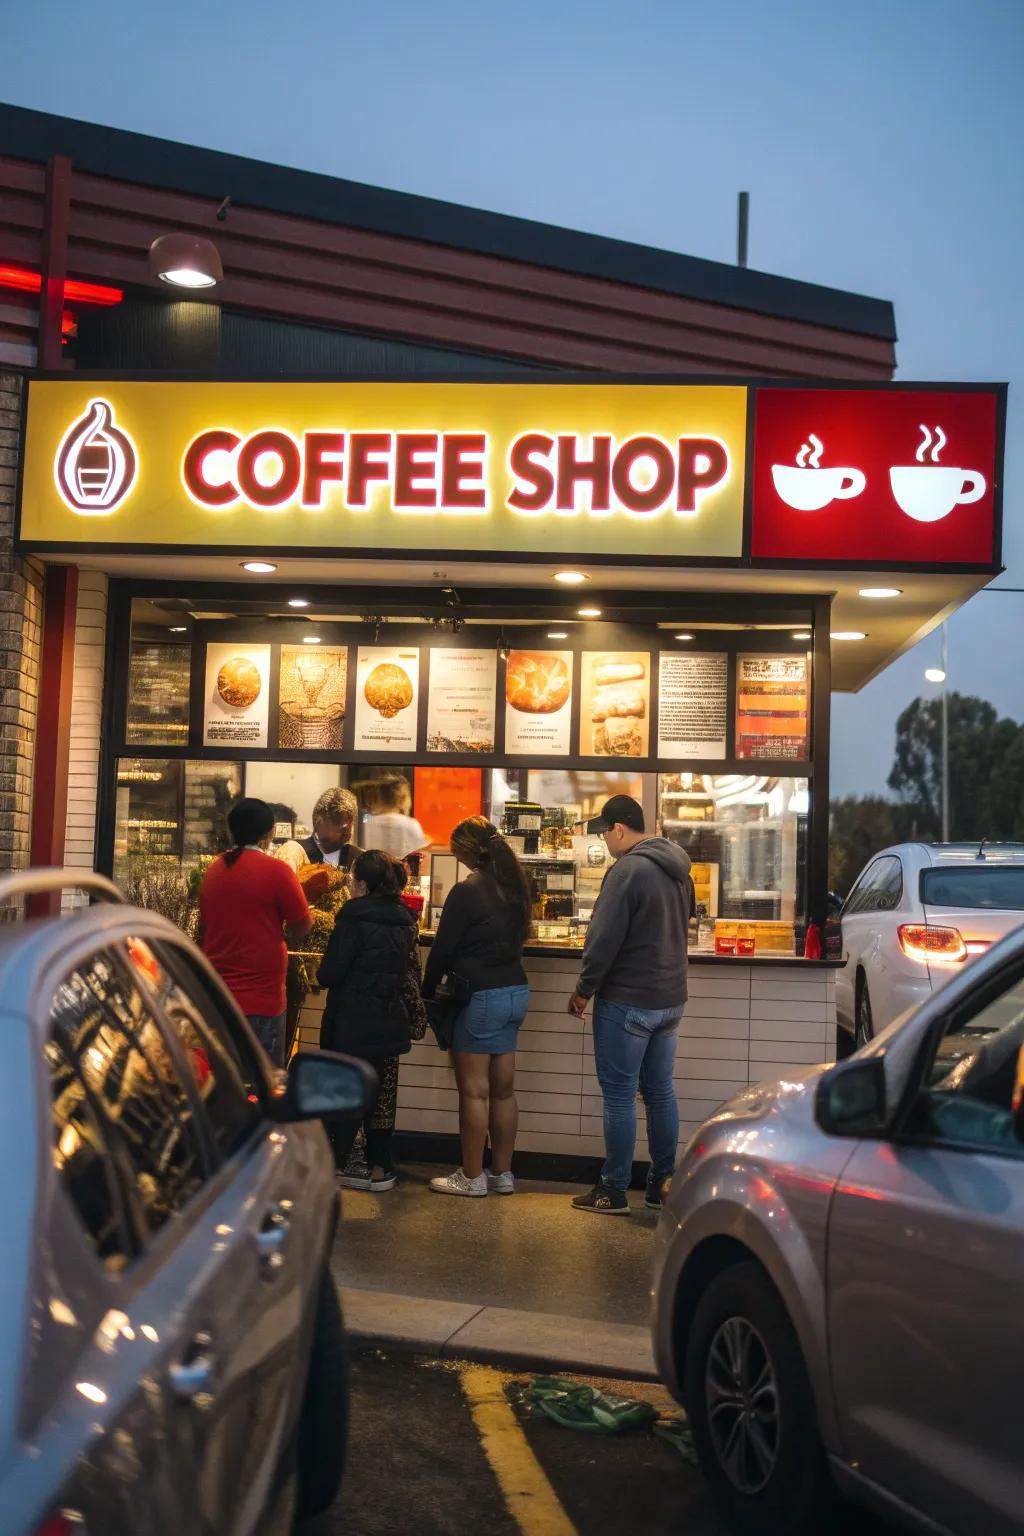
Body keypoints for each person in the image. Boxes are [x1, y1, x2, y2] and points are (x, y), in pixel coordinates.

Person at [567, 795, 691, 1216]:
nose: (603, 838)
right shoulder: (678, 870)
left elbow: (603, 940)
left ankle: (613, 1189)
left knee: (619, 1097)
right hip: (670, 1001)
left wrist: (584, 987)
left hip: (629, 1001)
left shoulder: (627, 870)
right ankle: (662, 1184)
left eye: (604, 831)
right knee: (659, 1092)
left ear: (619, 829)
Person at [422, 816, 531, 1198]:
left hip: (481, 996)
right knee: (504, 1091)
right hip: (515, 991)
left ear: (467, 851)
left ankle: (470, 1177)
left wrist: (427, 989)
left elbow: (443, 949)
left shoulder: (469, 891)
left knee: (474, 1092)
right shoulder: (516, 885)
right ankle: (502, 1174)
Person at [317, 850, 422, 1191]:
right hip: (390, 1020)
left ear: (362, 884)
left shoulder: (352, 917)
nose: (348, 883)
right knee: (383, 1093)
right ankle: (380, 1167)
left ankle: (339, 1163)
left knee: (347, 1088)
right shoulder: (406, 919)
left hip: (351, 1021)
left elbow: (331, 972)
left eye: (351, 878)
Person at [199, 797, 312, 1067]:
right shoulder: (277, 871)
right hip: (263, 1001)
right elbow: (303, 924)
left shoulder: (215, 868)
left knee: (221, 1081)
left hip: (218, 1000)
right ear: (270, 831)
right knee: (261, 1087)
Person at [365, 774, 430, 861]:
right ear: (403, 798)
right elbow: (421, 856)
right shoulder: (410, 824)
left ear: (379, 796)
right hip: (400, 873)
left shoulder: (369, 823)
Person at [299, 786, 362, 871]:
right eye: (338, 824)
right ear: (319, 821)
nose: (346, 834)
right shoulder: (296, 852)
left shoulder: (359, 858)